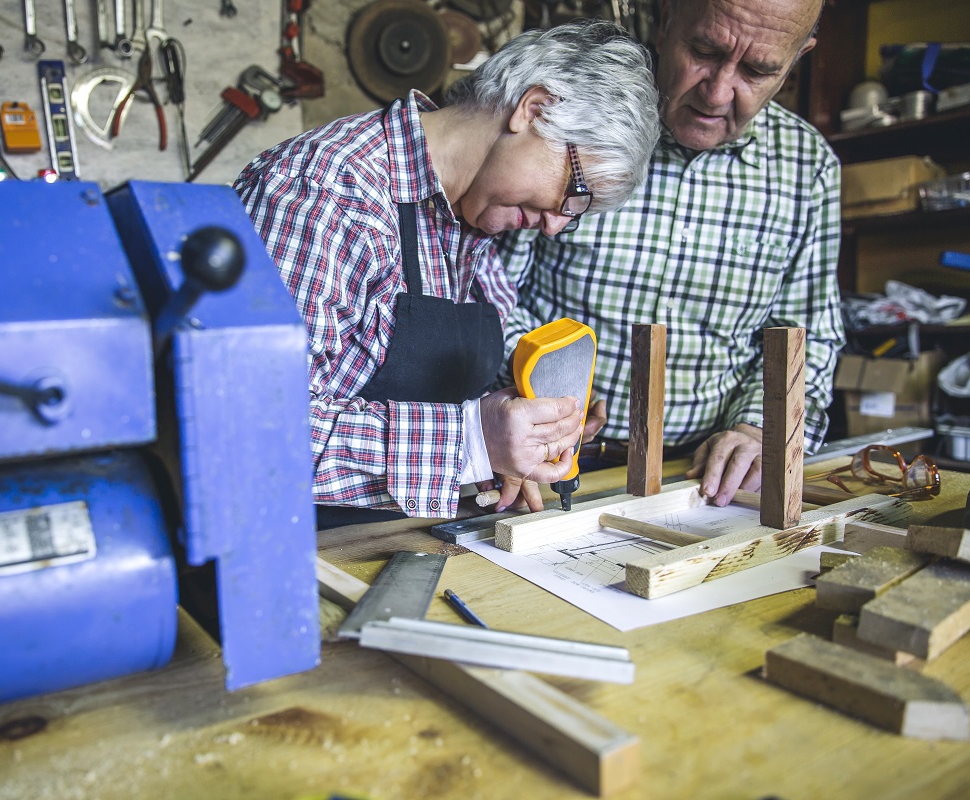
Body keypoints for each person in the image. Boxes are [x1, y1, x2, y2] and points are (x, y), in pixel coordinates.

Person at [235, 20, 660, 525]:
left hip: (404, 536)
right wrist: (472, 443)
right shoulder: (324, 193)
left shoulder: (476, 219)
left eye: (573, 218)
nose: (554, 226)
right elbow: (249, 432)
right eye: (572, 197)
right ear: (535, 109)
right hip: (282, 547)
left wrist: (529, 419)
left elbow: (467, 378)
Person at [500, 0, 844, 507]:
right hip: (540, 457)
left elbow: (806, 335)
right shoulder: (578, 122)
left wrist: (758, 431)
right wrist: (524, 402)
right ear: (666, 21)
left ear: (797, 58)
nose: (718, 91)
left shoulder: (807, 168)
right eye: (704, 51)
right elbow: (484, 290)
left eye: (757, 69)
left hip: (700, 472)